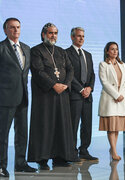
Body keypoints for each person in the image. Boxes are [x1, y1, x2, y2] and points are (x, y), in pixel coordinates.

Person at [27, 23, 75, 170]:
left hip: (62, 95)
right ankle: (42, 159)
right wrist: (54, 85)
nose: (53, 36)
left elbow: (70, 69)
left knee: (61, 125)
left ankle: (60, 157)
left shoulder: (61, 51)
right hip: (45, 95)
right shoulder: (36, 51)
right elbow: (38, 71)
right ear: (43, 34)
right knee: (45, 125)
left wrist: (65, 85)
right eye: (50, 33)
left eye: (55, 33)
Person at [0, 18, 37, 177]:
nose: (16, 30)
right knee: (2, 134)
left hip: (23, 97)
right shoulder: (1, 48)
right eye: (12, 28)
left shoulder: (26, 49)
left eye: (18, 27)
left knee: (22, 133)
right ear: (5, 30)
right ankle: (1, 166)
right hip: (5, 98)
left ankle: (21, 163)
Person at [65, 27, 98, 161]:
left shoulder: (88, 54)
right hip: (75, 95)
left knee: (87, 125)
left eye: (83, 36)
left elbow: (92, 74)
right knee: (73, 124)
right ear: (72, 37)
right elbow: (69, 74)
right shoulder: (66, 53)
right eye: (78, 36)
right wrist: (81, 89)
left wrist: (89, 88)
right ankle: (71, 152)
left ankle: (84, 150)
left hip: (87, 95)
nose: (81, 38)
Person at [98, 42, 125, 160]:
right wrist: (116, 95)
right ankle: (114, 152)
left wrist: (122, 95)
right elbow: (104, 82)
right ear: (107, 51)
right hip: (110, 99)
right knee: (111, 127)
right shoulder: (103, 64)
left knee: (117, 128)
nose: (115, 51)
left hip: (120, 99)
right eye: (112, 49)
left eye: (116, 49)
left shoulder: (122, 65)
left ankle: (113, 148)